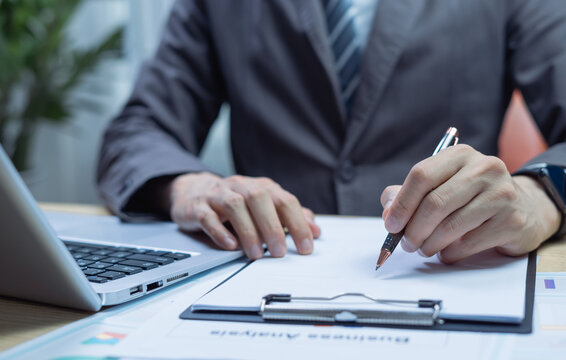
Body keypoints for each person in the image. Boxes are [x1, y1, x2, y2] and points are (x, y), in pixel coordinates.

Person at [97, 0, 566, 263]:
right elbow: (136, 131)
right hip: (268, 277)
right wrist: (191, 188)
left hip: (449, 275)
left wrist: (540, 197)